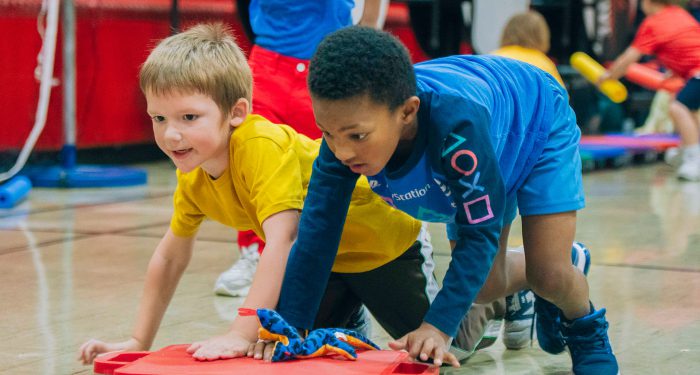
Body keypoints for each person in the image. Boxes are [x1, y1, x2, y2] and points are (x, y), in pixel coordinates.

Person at [77, 23, 488, 365]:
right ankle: (347, 319)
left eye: (189, 117)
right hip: (318, 265)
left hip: (382, 244)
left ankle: (499, 296)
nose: (171, 133)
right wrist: (138, 340)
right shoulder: (193, 175)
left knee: (444, 352)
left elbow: (284, 239)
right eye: (158, 118)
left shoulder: (258, 144)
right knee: (293, 353)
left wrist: (242, 328)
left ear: (237, 112)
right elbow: (169, 256)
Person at [275, 26, 619, 374]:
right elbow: (317, 230)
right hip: (490, 133)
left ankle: (585, 325)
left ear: (407, 112)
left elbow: (478, 233)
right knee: (485, 287)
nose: (342, 150)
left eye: (357, 136)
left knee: (550, 273)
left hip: (536, 120)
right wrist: (289, 324)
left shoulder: (456, 132)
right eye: (327, 132)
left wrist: (437, 326)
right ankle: (534, 281)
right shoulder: (345, 135)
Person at [215, 0, 387, 298]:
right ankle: (254, 252)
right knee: (252, 163)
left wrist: (365, 42)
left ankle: (338, 258)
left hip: (327, 65)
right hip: (267, 64)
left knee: (330, 171)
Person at [490, 10, 565, 351]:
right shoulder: (544, 63)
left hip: (498, 154)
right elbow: (559, 113)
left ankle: (507, 294)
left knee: (492, 243)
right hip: (536, 155)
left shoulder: (491, 57)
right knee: (542, 243)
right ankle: (521, 288)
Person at [601, 0, 700, 181]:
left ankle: (694, 158)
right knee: (684, 107)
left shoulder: (653, 22)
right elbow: (686, 45)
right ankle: (689, 150)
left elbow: (629, 58)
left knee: (678, 107)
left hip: (697, 72)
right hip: (694, 72)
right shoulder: (678, 13)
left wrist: (609, 76)